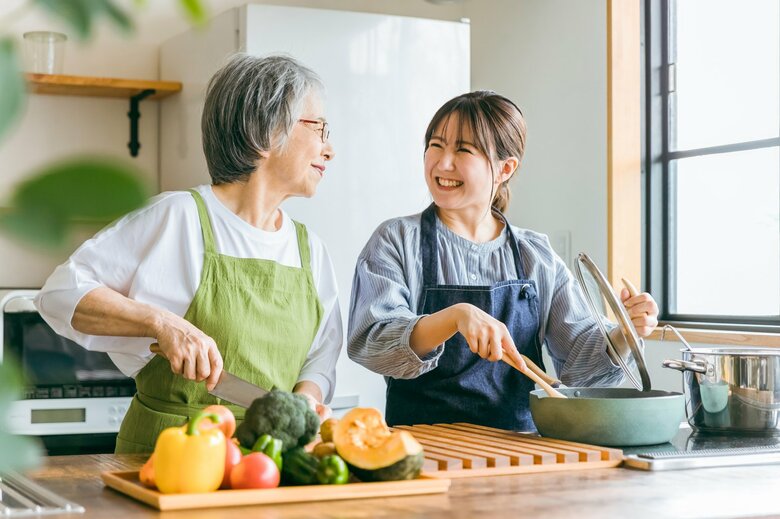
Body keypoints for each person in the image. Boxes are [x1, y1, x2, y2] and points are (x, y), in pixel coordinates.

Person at [35, 54, 341, 453]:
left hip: (268, 462)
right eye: (318, 128)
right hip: (167, 456)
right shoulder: (178, 217)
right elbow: (60, 294)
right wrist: (161, 323)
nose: (329, 149)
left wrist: (304, 403)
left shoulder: (310, 249)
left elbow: (321, 356)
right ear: (264, 133)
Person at [347, 91, 659, 431]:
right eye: (436, 145)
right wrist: (455, 316)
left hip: (519, 447)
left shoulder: (534, 254)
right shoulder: (396, 240)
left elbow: (579, 366)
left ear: (505, 168)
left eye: (463, 150)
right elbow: (373, 340)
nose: (443, 163)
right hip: (421, 447)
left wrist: (625, 333)